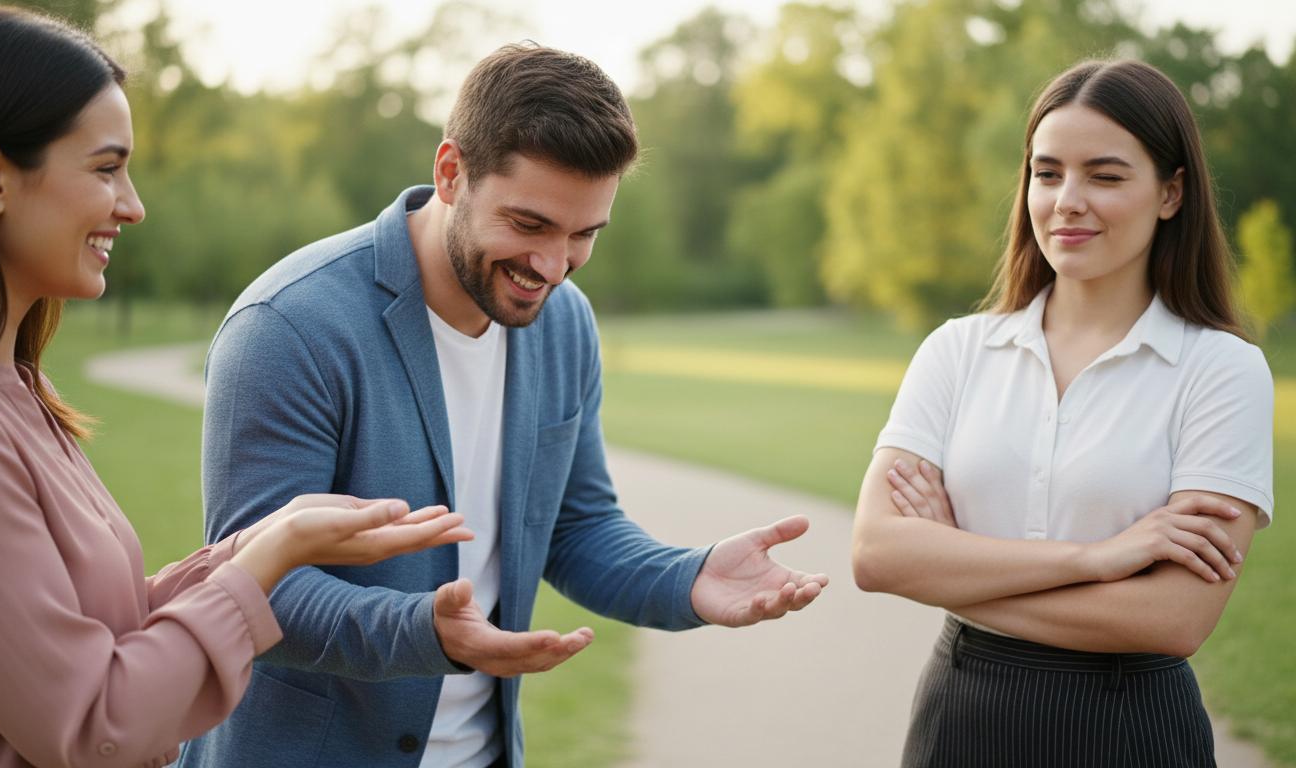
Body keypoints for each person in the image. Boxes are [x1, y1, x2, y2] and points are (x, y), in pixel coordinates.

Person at [176, 42, 830, 768]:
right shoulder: (290, 326)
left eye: (583, 235)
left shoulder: (565, 320)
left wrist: (688, 577)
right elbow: (252, 587)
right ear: (451, 172)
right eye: (530, 225)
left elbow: (575, 527)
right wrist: (427, 630)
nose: (552, 268)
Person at [0, 8, 475, 767]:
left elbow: (110, 632)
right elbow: (97, 724)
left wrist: (261, 542)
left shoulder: (18, 393)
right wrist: (269, 561)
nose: (132, 205)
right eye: (105, 168)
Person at [851, 58, 1272, 767]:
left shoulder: (1221, 371)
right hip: (960, 722)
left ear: (1171, 192)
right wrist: (1096, 559)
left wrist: (951, 566)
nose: (1067, 201)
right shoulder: (957, 351)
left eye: (1104, 177)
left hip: (1131, 730)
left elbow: (1174, 619)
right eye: (1047, 174)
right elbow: (876, 555)